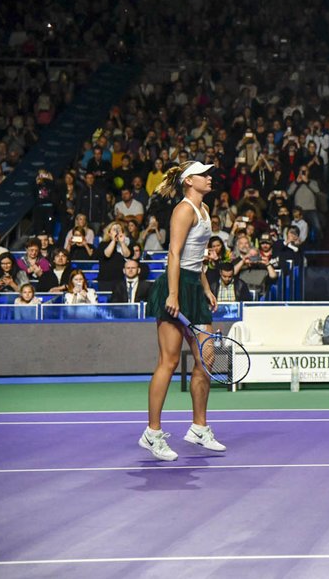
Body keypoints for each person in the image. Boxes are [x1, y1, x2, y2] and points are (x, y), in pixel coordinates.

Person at [141, 161, 224, 462]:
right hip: (175, 286)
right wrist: (174, 294)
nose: (209, 178)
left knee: (206, 358)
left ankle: (199, 428)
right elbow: (174, 254)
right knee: (170, 361)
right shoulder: (183, 210)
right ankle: (152, 433)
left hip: (194, 287)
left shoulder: (205, 210)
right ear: (189, 181)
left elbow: (196, 257)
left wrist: (206, 288)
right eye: (203, 174)